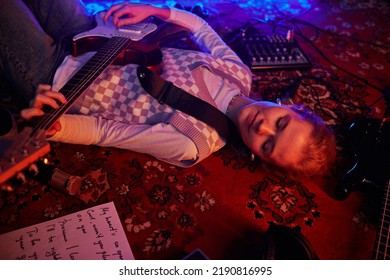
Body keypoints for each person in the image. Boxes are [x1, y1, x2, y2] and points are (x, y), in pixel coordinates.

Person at [1, 0, 336, 177]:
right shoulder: (239, 73)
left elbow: (106, 132)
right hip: (94, 32)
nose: (262, 127)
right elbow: (202, 27)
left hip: (55, 73)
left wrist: (59, 126)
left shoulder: (192, 142)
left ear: (255, 156)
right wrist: (156, 10)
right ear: (292, 107)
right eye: (281, 123)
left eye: (267, 145)